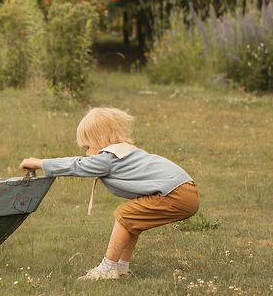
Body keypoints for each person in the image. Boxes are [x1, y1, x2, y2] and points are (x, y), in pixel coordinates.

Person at [19, 106, 200, 280]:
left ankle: (107, 267)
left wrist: (40, 163)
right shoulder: (125, 153)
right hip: (185, 191)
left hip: (176, 193)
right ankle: (121, 267)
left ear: (101, 139)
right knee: (132, 222)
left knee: (124, 214)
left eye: (87, 147)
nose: (86, 153)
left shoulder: (109, 158)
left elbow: (77, 165)